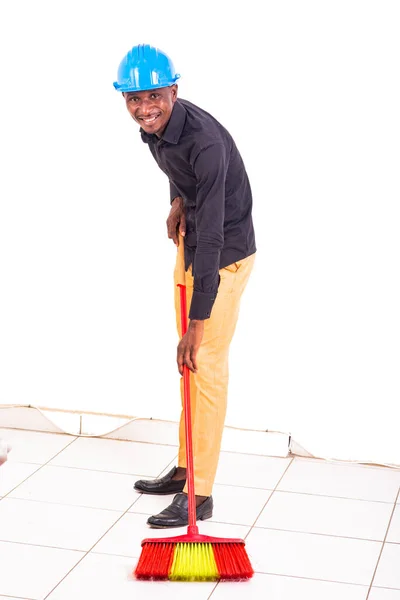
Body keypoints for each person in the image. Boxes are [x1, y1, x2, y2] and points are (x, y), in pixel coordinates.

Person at [114, 44, 256, 528]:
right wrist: (177, 200)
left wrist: (198, 324)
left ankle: (201, 493)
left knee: (205, 366)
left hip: (223, 257)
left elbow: (216, 234)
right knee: (187, 369)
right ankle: (183, 468)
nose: (143, 107)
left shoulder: (205, 141)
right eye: (133, 98)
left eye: (154, 95)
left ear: (174, 90)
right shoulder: (158, 130)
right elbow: (181, 173)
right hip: (192, 245)